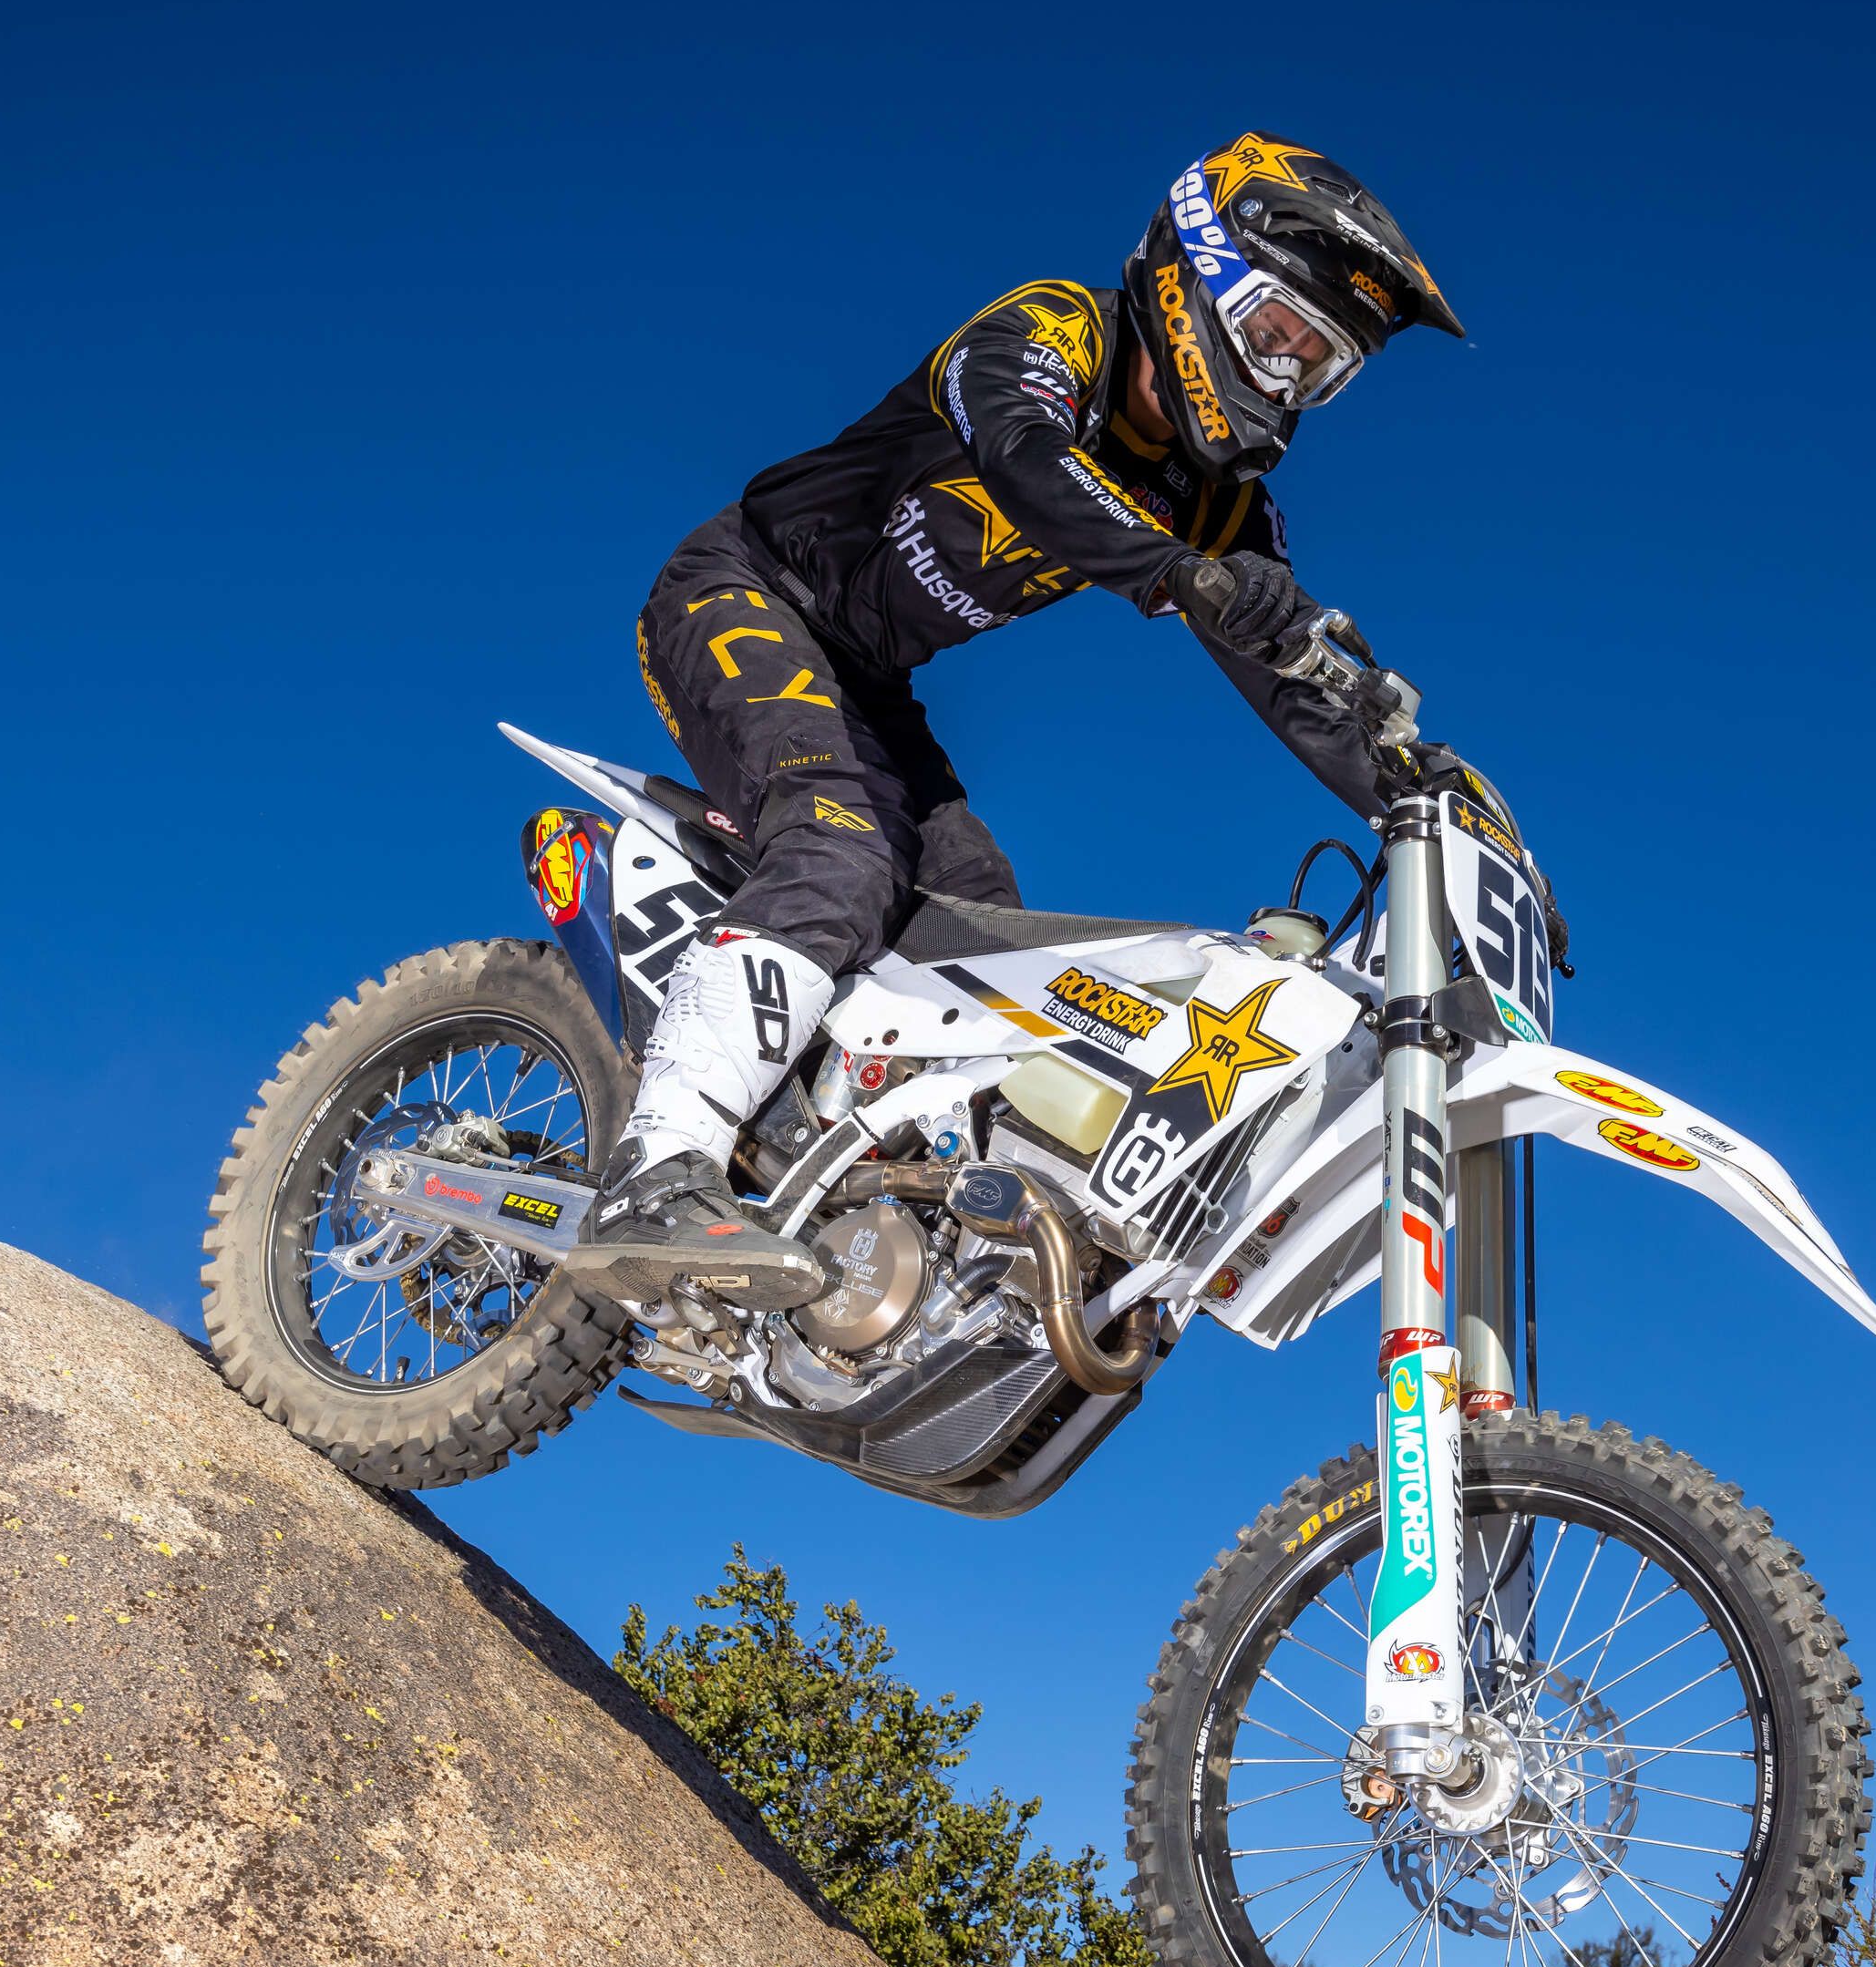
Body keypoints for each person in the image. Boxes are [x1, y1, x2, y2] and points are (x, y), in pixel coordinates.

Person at [566, 132, 1464, 1310]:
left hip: (866, 680)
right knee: (840, 848)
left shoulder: (1216, 503)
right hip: (743, 591)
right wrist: (1176, 573)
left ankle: (869, 1212)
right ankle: (658, 1164)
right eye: (1276, 334)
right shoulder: (1056, 330)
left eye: (1318, 367)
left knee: (988, 930)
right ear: (1193, 277)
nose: (1285, 379)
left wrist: (1432, 803)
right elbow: (1025, 456)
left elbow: (1290, 671)